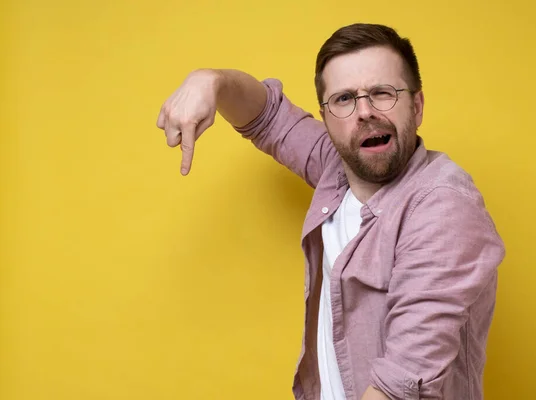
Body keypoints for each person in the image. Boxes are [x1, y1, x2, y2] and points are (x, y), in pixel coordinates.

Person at [156, 23, 505, 400]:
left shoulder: (443, 206)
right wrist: (210, 81)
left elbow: (401, 386)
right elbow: (268, 117)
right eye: (344, 99)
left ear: (417, 106)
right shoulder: (337, 170)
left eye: (382, 93)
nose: (365, 112)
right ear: (325, 117)